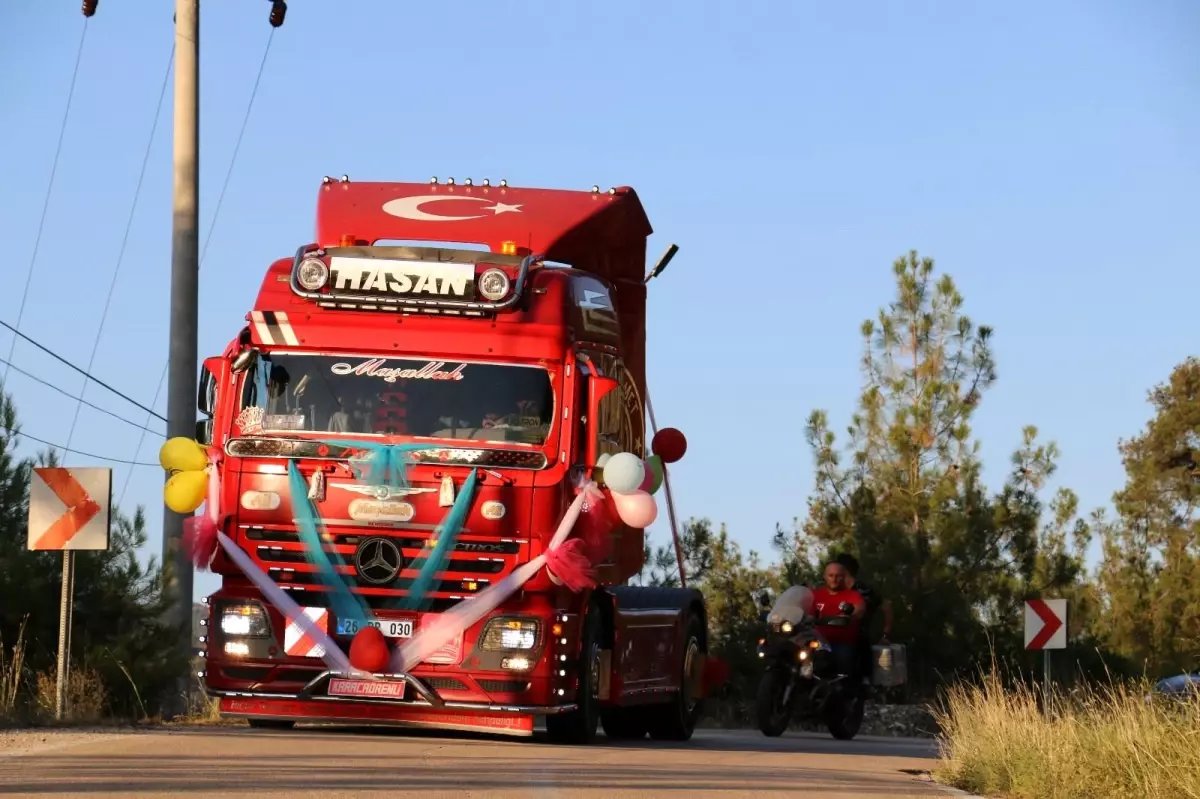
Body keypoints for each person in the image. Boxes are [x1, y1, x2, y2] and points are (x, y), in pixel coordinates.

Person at [835, 552, 893, 693]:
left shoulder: (864, 591)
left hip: (856, 637)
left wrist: (885, 635)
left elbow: (886, 607)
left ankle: (864, 680)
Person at [811, 561, 866, 678]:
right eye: (831, 575)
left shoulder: (852, 595)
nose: (834, 579)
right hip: (817, 644)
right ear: (825, 576)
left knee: (842, 676)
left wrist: (852, 615)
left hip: (842, 644)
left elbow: (859, 609)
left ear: (844, 577)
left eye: (838, 576)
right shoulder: (815, 595)